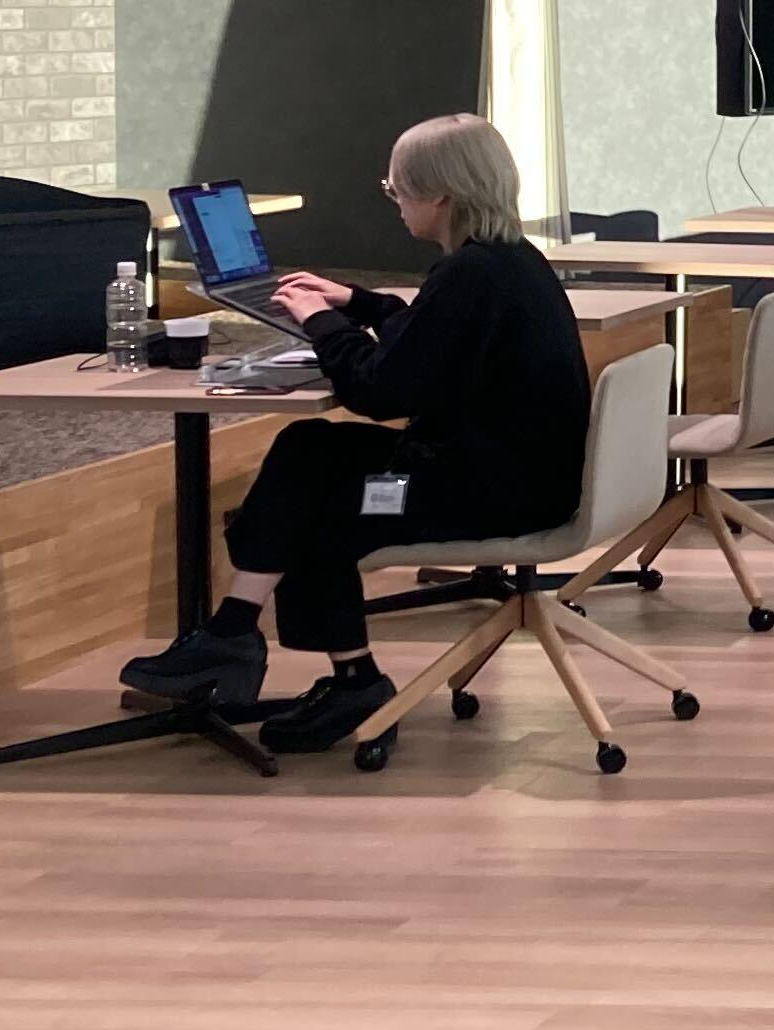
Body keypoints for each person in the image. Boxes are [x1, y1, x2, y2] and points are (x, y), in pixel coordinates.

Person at [119, 113, 590, 753]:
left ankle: (338, 677)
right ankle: (237, 634)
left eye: (398, 189)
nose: (395, 202)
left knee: (320, 504)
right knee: (308, 448)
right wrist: (356, 303)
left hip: (494, 491)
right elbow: (429, 342)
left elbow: (380, 392)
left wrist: (319, 322)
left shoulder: (471, 274)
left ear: (439, 195)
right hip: (508, 471)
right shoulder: (505, 261)